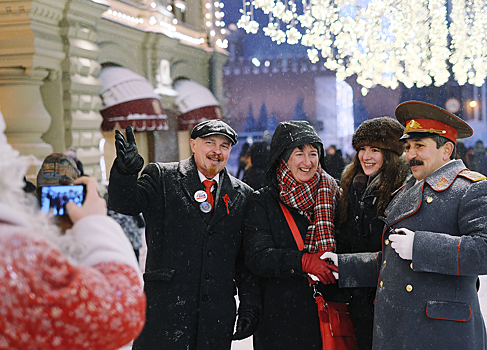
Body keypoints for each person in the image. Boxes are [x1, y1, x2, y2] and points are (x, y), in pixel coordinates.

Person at [325, 101, 487, 349]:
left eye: (420, 146)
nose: (410, 155)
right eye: (408, 146)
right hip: (400, 328)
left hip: (442, 333)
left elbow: (483, 251)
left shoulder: (471, 188)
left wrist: (419, 246)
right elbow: (394, 261)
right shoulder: (408, 189)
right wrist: (346, 266)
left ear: (447, 150)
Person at [108, 120, 261, 350]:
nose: (216, 151)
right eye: (210, 143)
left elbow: (243, 260)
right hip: (165, 313)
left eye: (224, 146)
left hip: (214, 320)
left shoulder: (243, 194)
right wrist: (125, 172)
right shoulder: (162, 177)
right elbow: (125, 202)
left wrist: (249, 306)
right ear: (193, 144)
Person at [0, 111, 146, 349]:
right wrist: (96, 225)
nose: (61, 201)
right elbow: (118, 313)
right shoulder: (23, 244)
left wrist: (124, 174)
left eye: (67, 191)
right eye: (51, 191)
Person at [243, 121, 340, 350]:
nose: (308, 162)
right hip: (281, 321)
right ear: (283, 158)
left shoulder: (335, 193)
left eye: (313, 153)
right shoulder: (263, 201)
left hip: (328, 315)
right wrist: (303, 261)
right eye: (299, 154)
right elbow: (257, 257)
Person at [335, 117, 409, 350]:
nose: (366, 156)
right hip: (359, 294)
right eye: (362, 149)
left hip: (391, 294)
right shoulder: (351, 185)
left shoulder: (404, 188)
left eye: (374, 150)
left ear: (390, 153)